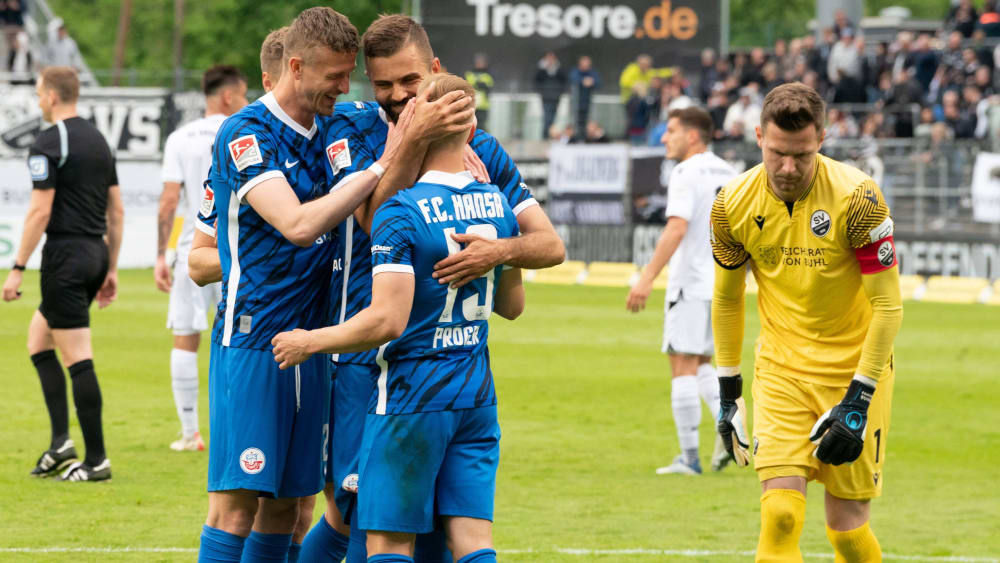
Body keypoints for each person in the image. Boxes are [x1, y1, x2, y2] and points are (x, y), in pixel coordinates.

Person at [300, 14, 564, 563]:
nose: (397, 96)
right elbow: (374, 220)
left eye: (410, 82)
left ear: (435, 70)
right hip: (362, 356)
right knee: (353, 508)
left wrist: (500, 251)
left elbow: (549, 246)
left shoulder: (479, 147)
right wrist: (408, 143)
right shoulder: (349, 128)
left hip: (435, 359)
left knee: (429, 527)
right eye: (383, 85)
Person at [272, 72, 524, 563]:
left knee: (386, 542)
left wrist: (310, 341)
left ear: (411, 122)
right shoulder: (498, 205)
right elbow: (512, 307)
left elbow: (386, 322)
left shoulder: (399, 211)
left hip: (412, 395)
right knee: (473, 543)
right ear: (469, 127)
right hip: (476, 396)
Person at [195, 8, 393, 562]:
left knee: (287, 503)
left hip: (312, 342)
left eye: (348, 74)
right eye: (334, 75)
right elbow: (299, 226)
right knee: (235, 505)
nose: (343, 86)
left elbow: (392, 112)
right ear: (297, 65)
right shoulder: (246, 133)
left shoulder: (328, 126)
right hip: (254, 339)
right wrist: (376, 172)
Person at [711, 83, 902, 561]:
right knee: (780, 514)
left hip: (856, 373)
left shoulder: (858, 199)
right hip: (781, 371)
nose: (788, 168)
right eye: (777, 153)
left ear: (821, 138)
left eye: (801, 154)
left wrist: (858, 399)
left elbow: (888, 306)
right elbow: (728, 299)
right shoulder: (731, 204)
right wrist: (729, 392)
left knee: (848, 534)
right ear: (758, 136)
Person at [1, 66, 123, 482]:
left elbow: (40, 210)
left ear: (52, 96)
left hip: (66, 257)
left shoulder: (49, 141)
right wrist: (112, 267)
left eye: (39, 94)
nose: (38, 101)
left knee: (77, 356)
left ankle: (97, 460)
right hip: (94, 253)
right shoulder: (99, 141)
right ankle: (60, 444)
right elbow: (117, 210)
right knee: (39, 340)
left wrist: (16, 268)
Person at [626, 107, 737, 475]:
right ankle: (730, 428)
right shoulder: (729, 172)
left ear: (692, 136)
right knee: (703, 363)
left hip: (690, 281)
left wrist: (647, 278)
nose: (663, 138)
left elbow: (676, 229)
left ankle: (690, 457)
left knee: (681, 364)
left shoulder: (686, 172)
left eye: (670, 131)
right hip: (722, 285)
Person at [154, 65, 247, 453]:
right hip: (240, 253)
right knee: (240, 339)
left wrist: (163, 252)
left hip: (195, 250)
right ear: (228, 97)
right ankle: (235, 429)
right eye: (243, 95)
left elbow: (170, 202)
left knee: (185, 337)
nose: (246, 102)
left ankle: (190, 433)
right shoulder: (246, 131)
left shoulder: (180, 138)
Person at [535, 51, 567, 139]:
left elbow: (563, 80)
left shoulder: (559, 69)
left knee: (553, 116)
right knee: (547, 116)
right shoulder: (541, 70)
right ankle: (545, 135)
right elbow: (537, 81)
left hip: (556, 96)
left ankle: (549, 134)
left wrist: (560, 92)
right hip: (546, 96)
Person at [569, 55, 600, 135]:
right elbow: (573, 79)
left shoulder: (592, 72)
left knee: (589, 120)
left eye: (587, 65)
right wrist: (583, 81)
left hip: (588, 102)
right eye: (584, 65)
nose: (586, 67)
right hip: (576, 102)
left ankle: (587, 136)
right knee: (575, 120)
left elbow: (598, 82)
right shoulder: (575, 71)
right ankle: (576, 135)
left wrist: (592, 82)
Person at [464, 53, 494, 131]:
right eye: (478, 62)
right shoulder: (469, 74)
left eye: (481, 62)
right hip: (471, 104)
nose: (479, 64)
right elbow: (465, 85)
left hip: (483, 106)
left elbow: (487, 86)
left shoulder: (488, 74)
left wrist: (475, 84)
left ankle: (482, 141)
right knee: (470, 125)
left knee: (481, 126)